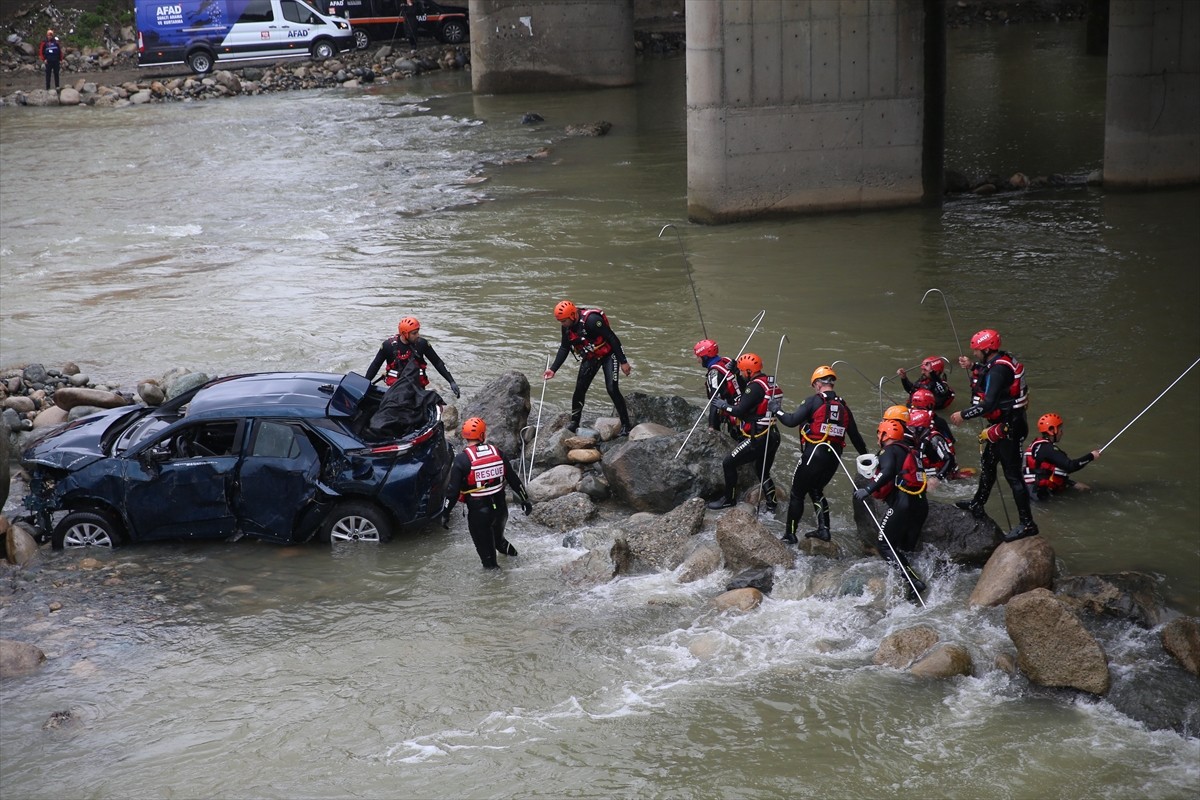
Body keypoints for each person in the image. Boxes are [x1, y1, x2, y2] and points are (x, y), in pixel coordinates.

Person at [950, 328, 1037, 542]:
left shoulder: (999, 370)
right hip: (1000, 426)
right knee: (989, 464)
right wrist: (972, 367)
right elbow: (990, 374)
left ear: (988, 349)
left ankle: (1028, 524)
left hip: (1010, 428)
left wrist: (964, 414)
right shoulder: (1000, 361)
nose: (975, 354)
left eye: (977, 351)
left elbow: (988, 403)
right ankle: (978, 503)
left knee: (1013, 476)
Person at [773, 365, 869, 542]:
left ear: (817, 383)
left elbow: (792, 421)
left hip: (814, 453)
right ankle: (824, 530)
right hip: (834, 456)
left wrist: (776, 409)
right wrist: (870, 459)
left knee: (797, 493)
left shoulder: (813, 401)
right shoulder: (844, 407)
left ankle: (790, 534)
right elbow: (856, 439)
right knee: (816, 490)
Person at [441, 417, 532, 569]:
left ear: (464, 436)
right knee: (499, 542)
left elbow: (452, 492)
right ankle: (520, 563)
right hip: (501, 510)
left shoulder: (462, 460)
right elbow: (514, 480)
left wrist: (445, 513)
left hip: (479, 515)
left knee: (489, 564)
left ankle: (498, 589)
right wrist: (525, 500)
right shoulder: (498, 453)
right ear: (482, 435)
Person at [853, 419, 929, 602]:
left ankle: (913, 581)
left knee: (884, 544)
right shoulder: (909, 451)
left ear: (885, 435)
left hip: (903, 504)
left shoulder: (889, 450)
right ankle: (914, 580)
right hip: (920, 504)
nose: (878, 436)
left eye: (880, 433)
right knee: (905, 548)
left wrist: (868, 490)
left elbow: (886, 472)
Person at [543, 300, 633, 435]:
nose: (562, 324)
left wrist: (623, 361)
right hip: (591, 356)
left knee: (612, 388)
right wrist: (553, 369)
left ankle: (626, 425)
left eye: (563, 321)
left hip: (609, 355)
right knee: (579, 389)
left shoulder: (592, 321)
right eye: (560, 321)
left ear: (573, 315)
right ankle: (574, 422)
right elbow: (564, 347)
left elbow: (612, 338)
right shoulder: (567, 327)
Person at [707, 353, 780, 510]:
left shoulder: (753, 388)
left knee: (728, 463)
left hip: (759, 437)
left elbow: (739, 410)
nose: (740, 374)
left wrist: (722, 405)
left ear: (749, 372)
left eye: (741, 371)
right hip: (773, 435)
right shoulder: (767, 382)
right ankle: (772, 504)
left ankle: (729, 499)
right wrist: (735, 374)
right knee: (762, 471)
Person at [365, 316, 460, 398]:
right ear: (404, 334)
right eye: (414, 333)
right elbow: (375, 365)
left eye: (417, 332)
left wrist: (451, 381)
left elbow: (437, 363)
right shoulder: (388, 346)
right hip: (396, 388)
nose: (418, 335)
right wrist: (365, 383)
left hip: (417, 387)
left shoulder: (422, 344)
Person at [1023, 413, 1101, 500]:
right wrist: (1091, 456)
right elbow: (1070, 466)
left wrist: (1072, 484)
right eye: (1060, 429)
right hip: (1039, 494)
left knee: (1084, 488)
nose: (1062, 433)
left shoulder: (1039, 446)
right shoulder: (1048, 449)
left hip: (1033, 489)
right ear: (1052, 430)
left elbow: (1045, 473)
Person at [693, 338, 742, 437]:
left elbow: (715, 401)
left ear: (706, 358)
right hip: (742, 403)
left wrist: (712, 426)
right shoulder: (726, 361)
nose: (698, 360)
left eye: (699, 357)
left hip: (734, 411)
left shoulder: (714, 373)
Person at [909, 408, 961, 483]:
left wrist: (937, 479)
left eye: (912, 428)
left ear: (921, 428)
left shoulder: (935, 439)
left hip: (943, 478)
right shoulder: (917, 438)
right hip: (925, 475)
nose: (911, 431)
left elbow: (950, 459)